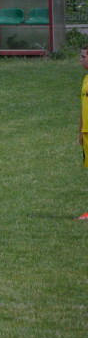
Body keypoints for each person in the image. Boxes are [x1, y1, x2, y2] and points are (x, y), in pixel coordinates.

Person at [79, 46, 88, 220]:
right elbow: (83, 107)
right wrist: (80, 131)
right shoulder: (86, 79)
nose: (80, 60)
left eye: (83, 56)